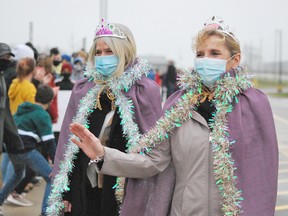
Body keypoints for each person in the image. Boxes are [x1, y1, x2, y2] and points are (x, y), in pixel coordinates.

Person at [70, 16, 278, 216]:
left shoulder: (253, 104)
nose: (206, 60)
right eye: (200, 54)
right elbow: (153, 161)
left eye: (214, 53)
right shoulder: (179, 105)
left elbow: (261, 175)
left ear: (235, 60)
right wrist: (103, 155)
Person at [47, 19, 174, 216]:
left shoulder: (144, 90)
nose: (103, 57)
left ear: (125, 52)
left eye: (110, 51)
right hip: (85, 188)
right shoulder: (84, 89)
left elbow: (154, 150)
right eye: (98, 52)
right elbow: (67, 142)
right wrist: (65, 190)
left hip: (124, 190)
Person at [1, 84, 56, 216]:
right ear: (50, 101)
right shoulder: (42, 115)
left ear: (35, 97)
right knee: (52, 178)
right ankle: (45, 212)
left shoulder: (21, 110)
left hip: (12, 151)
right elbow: (49, 142)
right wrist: (56, 161)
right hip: (27, 150)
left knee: (17, 175)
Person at [0, 42, 26, 216]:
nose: (8, 60)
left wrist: (13, 138)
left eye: (10, 57)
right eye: (5, 57)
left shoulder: (2, 76)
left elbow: (5, 110)